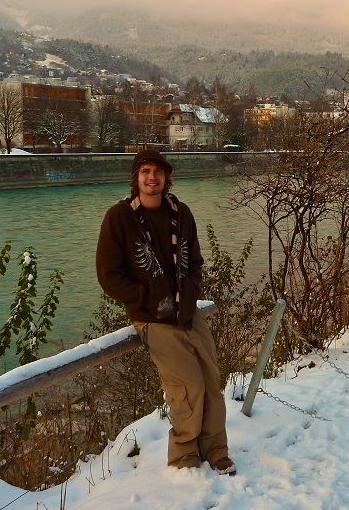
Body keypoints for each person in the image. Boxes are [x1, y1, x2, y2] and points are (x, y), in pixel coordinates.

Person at [96, 149, 235, 475]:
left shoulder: (181, 213)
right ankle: (184, 459)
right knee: (187, 388)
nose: (152, 177)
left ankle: (216, 450)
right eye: (145, 171)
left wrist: (190, 291)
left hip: (188, 312)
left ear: (166, 178)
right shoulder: (119, 217)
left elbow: (196, 261)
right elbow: (108, 275)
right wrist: (143, 297)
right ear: (136, 178)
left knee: (211, 383)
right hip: (152, 318)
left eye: (157, 171)